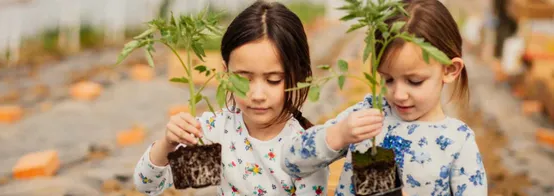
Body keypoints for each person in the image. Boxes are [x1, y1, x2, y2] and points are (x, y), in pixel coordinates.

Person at [281, 0, 487, 195]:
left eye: (414, 81)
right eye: (388, 79)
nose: (398, 94)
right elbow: (291, 161)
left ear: (450, 70)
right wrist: (338, 135)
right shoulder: (369, 113)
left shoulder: (457, 141)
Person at [134, 1, 329, 195]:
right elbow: (149, 185)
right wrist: (168, 143)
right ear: (225, 72)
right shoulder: (220, 132)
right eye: (243, 79)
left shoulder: (303, 148)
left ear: (298, 76)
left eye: (273, 80)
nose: (257, 95)